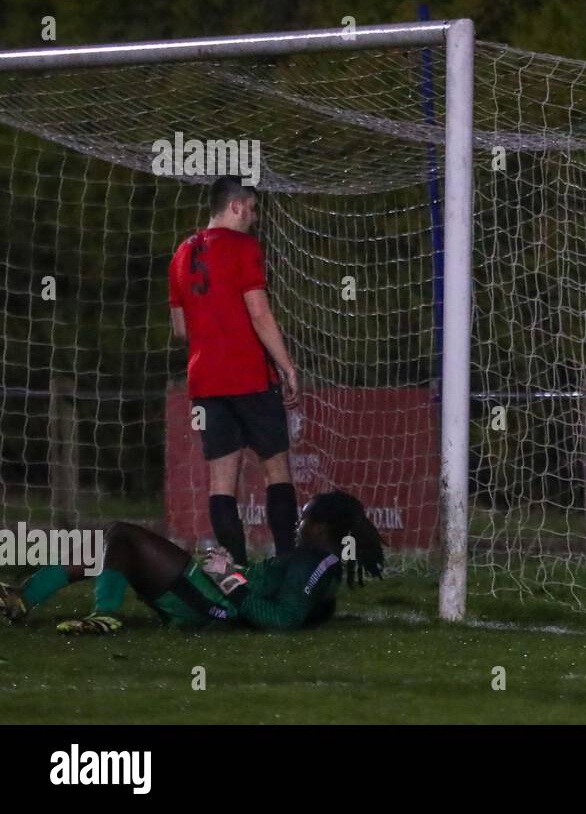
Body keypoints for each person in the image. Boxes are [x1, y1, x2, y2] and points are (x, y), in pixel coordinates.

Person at [0, 490, 383, 633]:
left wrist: (230, 579)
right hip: (212, 596)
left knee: (122, 535)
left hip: (211, 603)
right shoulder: (321, 563)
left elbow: (282, 619)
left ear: (320, 527)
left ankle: (104, 615)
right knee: (113, 546)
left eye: (305, 518)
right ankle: (24, 596)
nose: (298, 524)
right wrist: (233, 572)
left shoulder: (317, 562)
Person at [168, 175, 301, 563]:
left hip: (205, 382)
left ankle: (238, 573)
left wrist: (211, 322)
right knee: (277, 467)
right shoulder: (243, 246)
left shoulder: (181, 252)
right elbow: (258, 312)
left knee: (221, 483)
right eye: (253, 209)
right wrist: (287, 365)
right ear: (236, 206)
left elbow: (179, 329)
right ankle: (286, 564)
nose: (255, 218)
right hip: (249, 376)